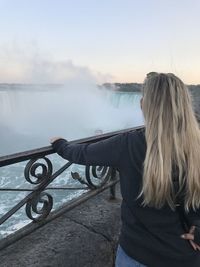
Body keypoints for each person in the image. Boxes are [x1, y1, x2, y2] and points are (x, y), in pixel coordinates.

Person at [50, 72, 200, 267]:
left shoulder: (128, 144)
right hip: (185, 256)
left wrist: (59, 143)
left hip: (137, 255)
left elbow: (82, 154)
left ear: (143, 105)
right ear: (185, 104)